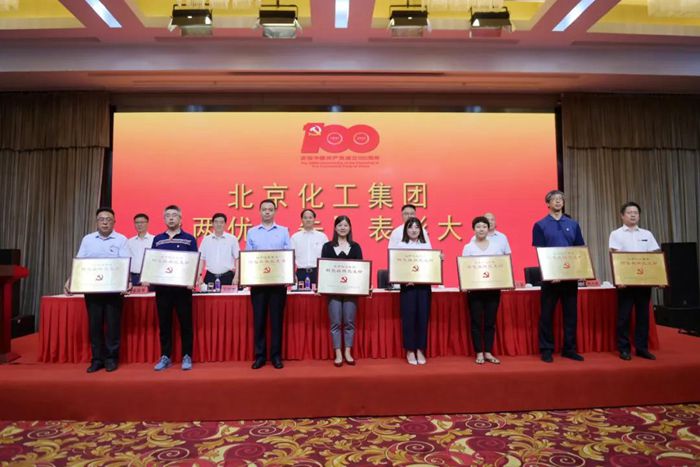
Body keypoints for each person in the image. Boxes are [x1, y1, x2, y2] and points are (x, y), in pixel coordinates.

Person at [64, 207, 129, 373]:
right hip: (92, 290)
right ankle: (97, 359)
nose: (105, 222)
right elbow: (80, 262)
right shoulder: (88, 239)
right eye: (102, 219)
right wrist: (71, 280)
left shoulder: (121, 239)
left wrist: (127, 281)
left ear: (114, 222)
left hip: (114, 290)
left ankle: (111, 358)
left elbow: (125, 262)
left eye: (108, 219)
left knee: (113, 326)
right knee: (95, 326)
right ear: (96, 222)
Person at [532, 190, 586, 363]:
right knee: (547, 315)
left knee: (571, 314)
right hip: (551, 279)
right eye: (554, 199)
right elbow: (540, 252)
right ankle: (546, 349)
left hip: (570, 277)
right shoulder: (540, 225)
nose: (558, 201)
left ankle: (569, 349)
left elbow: (579, 250)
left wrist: (580, 272)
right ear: (547, 204)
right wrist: (550, 273)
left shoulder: (573, 224)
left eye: (560, 199)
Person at [148, 205, 198, 371]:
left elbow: (194, 262)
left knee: (186, 324)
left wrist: (192, 280)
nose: (171, 218)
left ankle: (187, 356)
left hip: (182, 290)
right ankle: (165, 356)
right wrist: (149, 277)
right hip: (163, 290)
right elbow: (153, 262)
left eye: (174, 215)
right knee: (164, 325)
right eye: (168, 215)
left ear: (180, 219)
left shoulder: (189, 239)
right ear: (164, 219)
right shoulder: (158, 239)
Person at [609, 201, 660, 361]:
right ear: (622, 216)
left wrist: (658, 278)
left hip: (644, 282)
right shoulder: (616, 234)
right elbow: (616, 258)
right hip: (625, 283)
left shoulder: (647, 234)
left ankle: (641, 348)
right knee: (624, 317)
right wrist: (619, 279)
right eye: (629, 212)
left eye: (636, 213)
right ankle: (624, 349)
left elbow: (654, 257)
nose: (633, 215)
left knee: (643, 316)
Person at [245, 199, 292, 370]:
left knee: (276, 321)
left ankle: (276, 356)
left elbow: (288, 255)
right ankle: (260, 356)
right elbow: (248, 257)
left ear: (275, 212)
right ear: (259, 211)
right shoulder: (252, 232)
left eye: (270, 209)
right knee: (259, 320)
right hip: (258, 283)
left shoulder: (283, 231)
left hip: (278, 283)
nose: (267, 212)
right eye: (264, 209)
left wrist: (288, 276)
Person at [462, 216, 509, 365]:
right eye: (478, 227)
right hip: (475, 291)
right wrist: (465, 283)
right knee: (476, 322)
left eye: (484, 226)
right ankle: (479, 352)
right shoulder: (468, 247)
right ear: (473, 229)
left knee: (490, 322)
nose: (481, 229)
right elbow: (465, 268)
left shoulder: (496, 246)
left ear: (488, 229)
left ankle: (488, 351)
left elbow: (502, 266)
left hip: (492, 290)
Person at [321, 216, 363, 367]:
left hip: (351, 292)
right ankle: (338, 353)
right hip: (333, 292)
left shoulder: (356, 247)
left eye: (345, 225)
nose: (343, 228)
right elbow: (324, 269)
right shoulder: (327, 246)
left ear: (350, 228)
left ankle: (347, 352)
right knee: (335, 323)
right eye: (340, 225)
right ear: (335, 228)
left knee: (349, 322)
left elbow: (361, 269)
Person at [393, 217, 433, 365]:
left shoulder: (426, 245)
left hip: (423, 287)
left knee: (423, 318)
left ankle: (420, 350)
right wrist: (404, 278)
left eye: (417, 227)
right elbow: (396, 267)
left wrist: (438, 260)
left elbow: (431, 266)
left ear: (421, 230)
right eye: (410, 227)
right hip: (408, 287)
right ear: (406, 230)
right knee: (409, 319)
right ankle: (410, 350)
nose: (414, 230)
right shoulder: (400, 246)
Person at [199, 212, 240, 287]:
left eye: (221, 222)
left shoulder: (232, 239)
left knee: (229, 295)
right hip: (210, 276)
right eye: (216, 222)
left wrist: (236, 276)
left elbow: (238, 259)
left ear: (225, 224)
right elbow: (201, 259)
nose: (219, 224)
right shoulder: (206, 240)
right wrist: (199, 276)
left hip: (227, 277)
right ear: (212, 224)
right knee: (208, 295)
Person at [291, 208, 328, 288]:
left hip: (317, 273)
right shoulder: (295, 237)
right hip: (300, 273)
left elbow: (326, 257)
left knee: (317, 295)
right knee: (300, 295)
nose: (308, 220)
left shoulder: (322, 237)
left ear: (314, 219)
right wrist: (292, 274)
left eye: (310, 217)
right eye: (305, 218)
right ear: (302, 220)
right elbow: (291, 258)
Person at [126, 213, 153, 286]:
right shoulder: (129, 241)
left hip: (149, 277)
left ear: (147, 223)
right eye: (137, 223)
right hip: (133, 277)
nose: (139, 225)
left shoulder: (154, 239)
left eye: (142, 222)